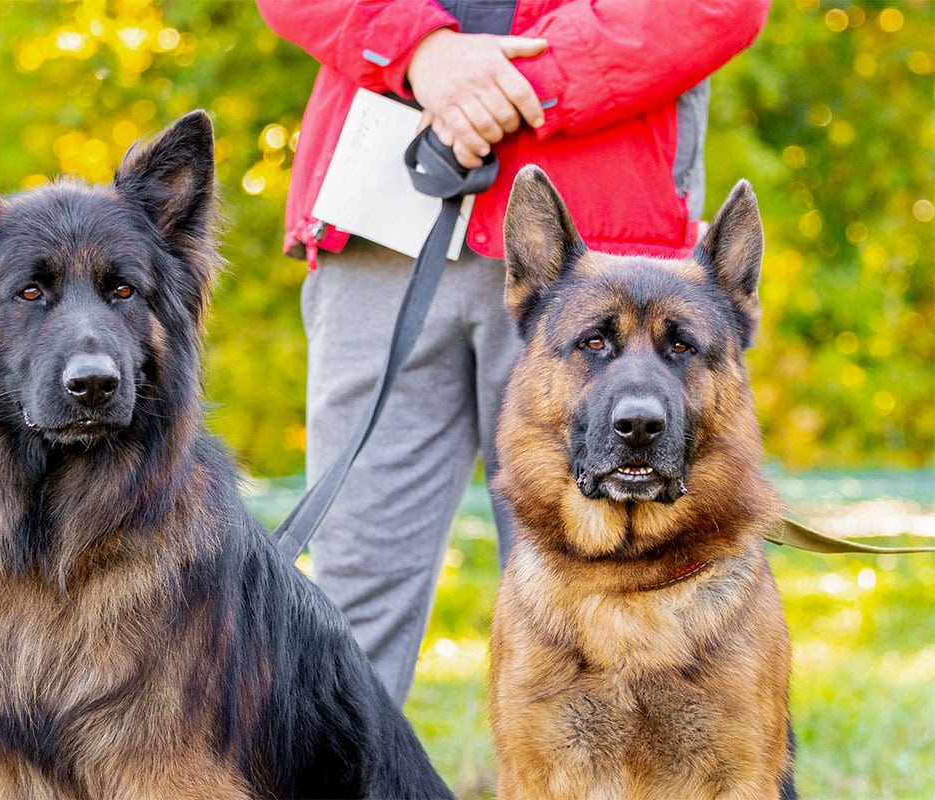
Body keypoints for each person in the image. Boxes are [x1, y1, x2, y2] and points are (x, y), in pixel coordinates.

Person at [255, 0, 771, 706]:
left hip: (608, 232)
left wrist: (521, 81)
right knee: (352, 590)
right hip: (382, 225)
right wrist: (423, 54)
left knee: (612, 574)